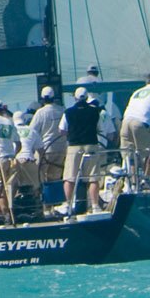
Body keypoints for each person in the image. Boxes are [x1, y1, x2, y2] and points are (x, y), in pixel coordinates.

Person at [60, 86, 102, 216]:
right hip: (91, 145)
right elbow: (99, 128)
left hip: (74, 146)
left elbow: (62, 130)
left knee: (70, 177)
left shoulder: (68, 112)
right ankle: (95, 205)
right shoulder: (96, 111)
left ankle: (67, 204)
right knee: (93, 177)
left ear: (75, 98)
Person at [23, 86, 67, 204]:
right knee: (56, 178)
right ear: (54, 97)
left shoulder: (40, 113)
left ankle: (45, 206)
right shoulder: (62, 110)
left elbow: (32, 131)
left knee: (42, 178)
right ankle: (56, 203)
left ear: (42, 99)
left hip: (46, 150)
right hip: (62, 148)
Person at [121, 75, 150, 181]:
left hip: (126, 122)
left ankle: (132, 180)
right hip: (140, 123)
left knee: (130, 154)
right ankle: (146, 178)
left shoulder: (137, 92)